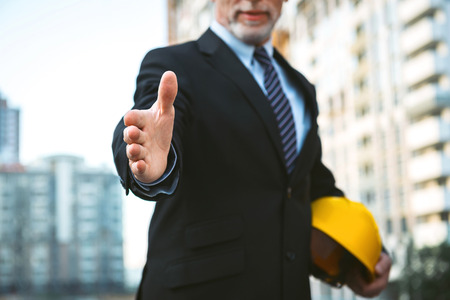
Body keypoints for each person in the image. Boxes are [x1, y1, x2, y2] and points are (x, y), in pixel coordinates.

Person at [112, 0, 392, 299]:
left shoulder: (300, 87)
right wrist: (151, 159)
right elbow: (152, 120)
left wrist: (358, 256)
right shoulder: (173, 65)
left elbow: (313, 188)